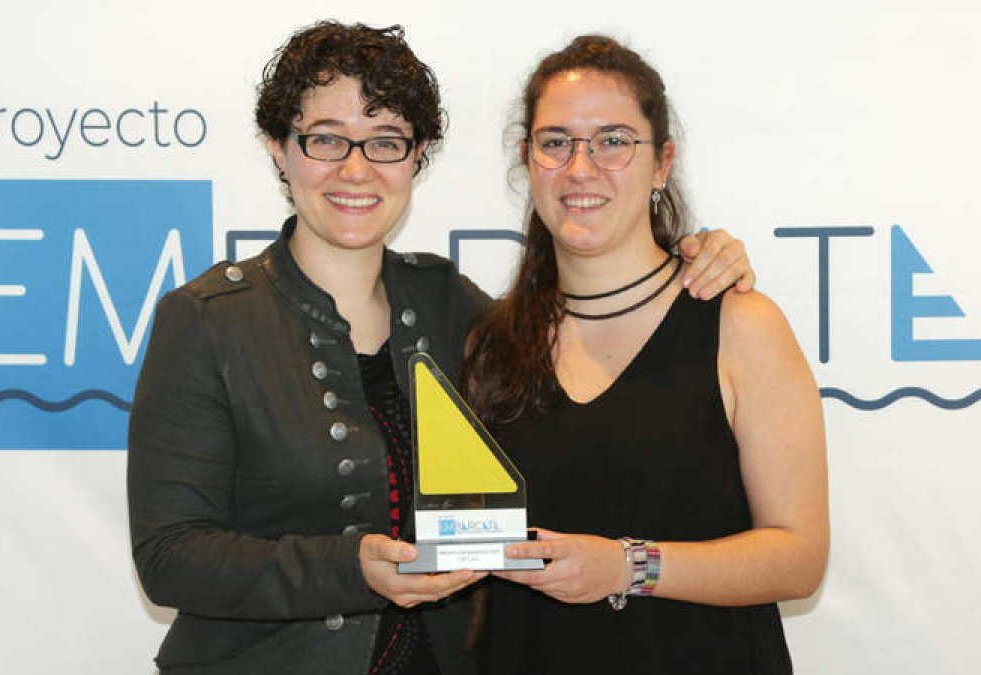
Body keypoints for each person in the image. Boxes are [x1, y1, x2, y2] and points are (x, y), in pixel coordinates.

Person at [127, 22, 756, 675]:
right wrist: (349, 568)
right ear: (278, 148)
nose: (355, 167)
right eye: (325, 138)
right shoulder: (207, 321)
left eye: (386, 142)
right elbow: (169, 556)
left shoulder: (447, 302)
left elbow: (590, 336)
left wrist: (693, 257)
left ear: (416, 156)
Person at [466, 36, 829, 674]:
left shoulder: (740, 323)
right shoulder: (489, 342)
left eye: (613, 141)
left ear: (661, 163)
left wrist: (628, 566)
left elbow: (799, 558)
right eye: (556, 142)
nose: (581, 167)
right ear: (528, 163)